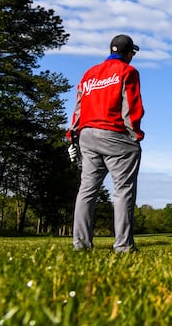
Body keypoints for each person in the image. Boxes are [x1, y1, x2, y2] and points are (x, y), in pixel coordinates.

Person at [67, 34, 145, 253]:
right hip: (114, 135)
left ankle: (80, 246)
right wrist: (135, 135)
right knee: (123, 190)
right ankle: (123, 246)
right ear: (129, 53)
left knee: (87, 190)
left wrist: (72, 135)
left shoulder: (89, 74)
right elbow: (130, 107)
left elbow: (78, 108)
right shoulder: (127, 71)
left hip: (86, 135)